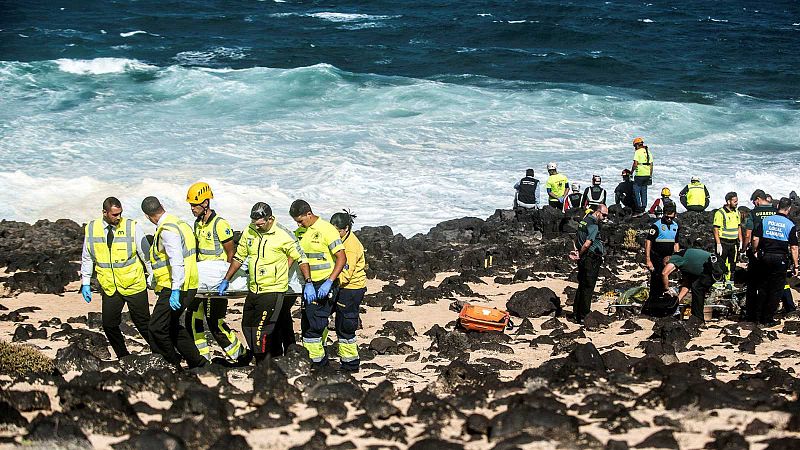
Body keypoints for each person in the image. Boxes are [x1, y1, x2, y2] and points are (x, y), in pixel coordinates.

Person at [218, 202, 311, 364]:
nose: (257, 226)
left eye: (260, 224)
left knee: (261, 333)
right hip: (254, 289)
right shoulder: (250, 230)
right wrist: (226, 279)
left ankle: (264, 366)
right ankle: (271, 360)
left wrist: (308, 281)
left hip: (273, 290)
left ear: (270, 219)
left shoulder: (283, 234)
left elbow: (301, 258)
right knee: (247, 327)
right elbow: (239, 257)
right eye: (255, 223)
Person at [80, 197, 152, 359]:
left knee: (144, 325)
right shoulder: (92, 228)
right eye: (114, 214)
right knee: (109, 325)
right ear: (104, 213)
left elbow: (146, 255)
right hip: (110, 287)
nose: (118, 217)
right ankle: (123, 357)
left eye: (120, 213)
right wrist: (85, 282)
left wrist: (152, 276)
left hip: (134, 284)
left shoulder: (131, 227)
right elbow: (87, 257)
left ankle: (162, 353)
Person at [141, 196, 206, 368]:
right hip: (189, 284)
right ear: (162, 206)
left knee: (156, 328)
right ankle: (198, 362)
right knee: (171, 326)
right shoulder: (180, 223)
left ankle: (170, 364)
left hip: (175, 287)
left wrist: (175, 289)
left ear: (147, 216)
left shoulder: (167, 230)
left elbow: (176, 260)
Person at [185, 182, 244, 364]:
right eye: (191, 205)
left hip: (217, 281)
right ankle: (203, 358)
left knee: (214, 322)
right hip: (201, 280)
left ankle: (240, 355)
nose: (192, 209)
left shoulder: (220, 224)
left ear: (206, 203)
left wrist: (226, 281)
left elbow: (231, 253)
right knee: (192, 319)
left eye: (195, 205)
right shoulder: (197, 224)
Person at [290, 200, 347, 366]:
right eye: (296, 222)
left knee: (313, 329)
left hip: (324, 284)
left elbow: (342, 258)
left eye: (301, 220)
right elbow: (295, 257)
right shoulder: (300, 232)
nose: (299, 224)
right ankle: (317, 363)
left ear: (309, 214)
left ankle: (318, 365)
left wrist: (329, 282)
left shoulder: (327, 230)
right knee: (307, 325)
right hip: (309, 285)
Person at [751, 197, 799, 326]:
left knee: (763, 287)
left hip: (765, 257)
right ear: (788, 209)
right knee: (776, 289)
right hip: (780, 258)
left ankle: (757, 316)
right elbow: (794, 247)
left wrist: (755, 251)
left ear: (777, 206)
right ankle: (767, 319)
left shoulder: (766, 220)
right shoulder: (790, 225)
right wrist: (796, 265)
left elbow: (755, 238)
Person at [329, 210, 367, 371]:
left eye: (337, 230)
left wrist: (329, 283)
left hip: (351, 288)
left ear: (346, 228)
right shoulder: (337, 240)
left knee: (345, 326)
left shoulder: (350, 246)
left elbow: (346, 274)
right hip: (341, 286)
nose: (334, 233)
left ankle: (350, 363)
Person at [742, 189, 777, 321]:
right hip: (774, 250)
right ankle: (767, 314)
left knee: (753, 284)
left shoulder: (753, 213)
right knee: (770, 284)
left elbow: (748, 234)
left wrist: (745, 248)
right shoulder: (775, 211)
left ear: (757, 199)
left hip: (758, 251)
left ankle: (751, 314)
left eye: (754, 201)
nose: (754, 204)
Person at [569, 204, 608, 324]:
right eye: (604, 215)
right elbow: (587, 243)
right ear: (597, 212)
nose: (605, 218)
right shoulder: (593, 225)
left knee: (582, 285)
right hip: (590, 258)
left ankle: (576, 313)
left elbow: (576, 237)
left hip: (584, 257)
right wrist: (580, 254)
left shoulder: (584, 220)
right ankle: (584, 315)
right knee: (588, 287)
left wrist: (576, 250)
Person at [641, 203, 680, 316]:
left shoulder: (675, 226)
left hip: (668, 258)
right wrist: (648, 260)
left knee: (665, 279)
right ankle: (652, 307)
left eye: (671, 217)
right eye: (666, 216)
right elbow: (648, 242)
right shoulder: (656, 225)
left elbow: (676, 243)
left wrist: (677, 258)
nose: (668, 219)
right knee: (656, 280)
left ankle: (664, 306)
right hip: (656, 256)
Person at [662, 248, 721, 323]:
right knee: (696, 286)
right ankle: (697, 317)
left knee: (697, 288)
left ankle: (698, 319)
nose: (673, 272)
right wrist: (677, 300)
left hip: (714, 265)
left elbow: (664, 273)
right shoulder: (686, 264)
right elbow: (686, 285)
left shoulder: (675, 258)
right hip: (712, 266)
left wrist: (667, 289)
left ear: (668, 263)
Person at [713, 192, 742, 284]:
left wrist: (740, 240)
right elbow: (715, 229)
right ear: (728, 201)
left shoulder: (737, 212)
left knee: (732, 263)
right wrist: (718, 243)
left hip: (733, 243)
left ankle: (730, 282)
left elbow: (739, 227)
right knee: (721, 263)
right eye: (735, 201)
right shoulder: (720, 213)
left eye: (737, 201)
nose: (736, 203)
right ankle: (720, 281)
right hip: (723, 242)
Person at [631, 137, 653, 215]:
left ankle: (639, 208)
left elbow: (635, 164)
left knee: (636, 191)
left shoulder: (638, 152)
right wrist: (650, 175)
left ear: (637, 145)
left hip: (640, 174)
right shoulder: (648, 152)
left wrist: (631, 172)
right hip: (647, 174)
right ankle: (644, 207)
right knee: (644, 191)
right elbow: (651, 165)